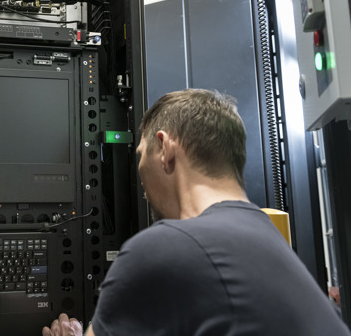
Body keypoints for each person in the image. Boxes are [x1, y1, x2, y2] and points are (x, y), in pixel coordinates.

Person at [42, 89, 351, 336]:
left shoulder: (162, 247)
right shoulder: (268, 237)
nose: (140, 176)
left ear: (164, 148)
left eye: (140, 154)